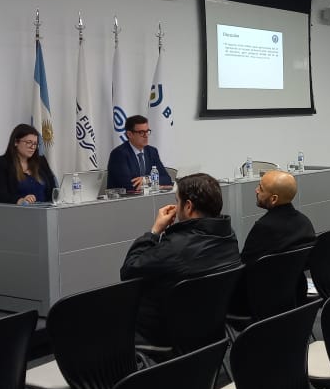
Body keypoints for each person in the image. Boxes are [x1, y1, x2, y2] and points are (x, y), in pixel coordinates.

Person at [120, 173, 240, 346]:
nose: (176, 207)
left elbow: (129, 270)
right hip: (209, 331)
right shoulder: (229, 236)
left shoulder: (175, 247)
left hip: (164, 337)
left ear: (188, 206)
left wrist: (154, 232)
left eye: (177, 201)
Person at [241, 170, 316, 264]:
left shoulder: (263, 227)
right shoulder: (304, 222)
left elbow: (245, 263)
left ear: (274, 199)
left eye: (261, 188)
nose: (256, 190)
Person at [0, 124, 57, 205]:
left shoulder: (41, 161)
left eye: (35, 144)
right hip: (18, 211)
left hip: (45, 209)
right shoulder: (1, 163)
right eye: (29, 142)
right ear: (16, 142)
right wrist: (19, 200)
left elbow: (53, 189)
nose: (33, 147)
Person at [107, 115, 172, 190]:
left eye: (147, 131)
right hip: (125, 197)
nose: (146, 135)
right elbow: (129, 185)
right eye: (141, 132)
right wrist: (155, 184)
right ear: (129, 134)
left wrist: (147, 180)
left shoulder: (152, 151)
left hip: (148, 196)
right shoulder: (119, 154)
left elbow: (167, 179)